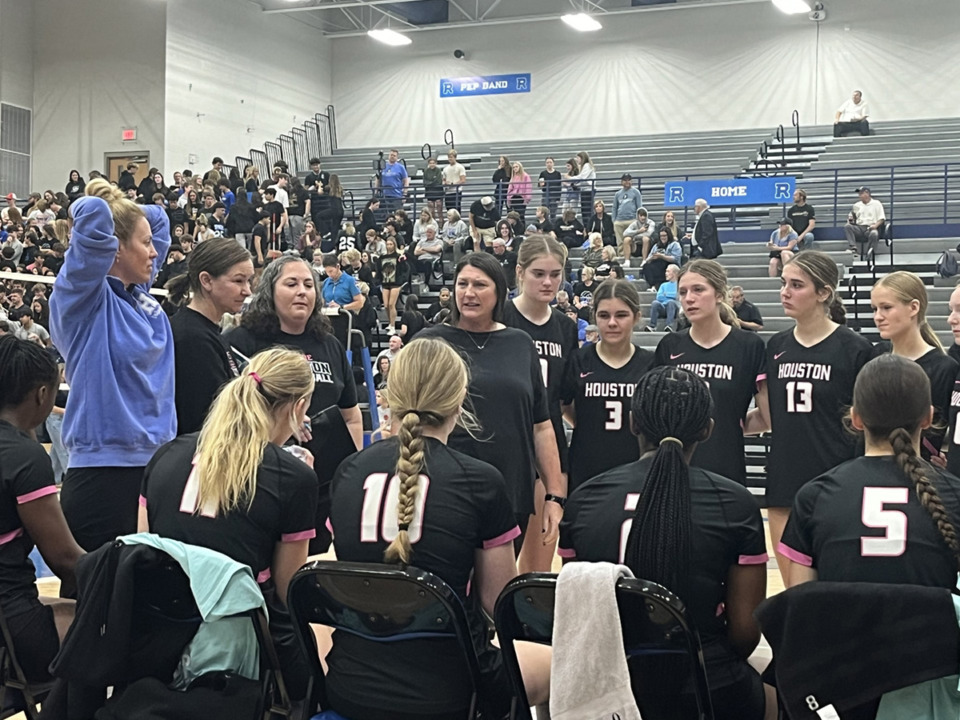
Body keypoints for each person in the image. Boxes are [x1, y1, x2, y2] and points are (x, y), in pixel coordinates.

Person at [328, 338, 551, 720]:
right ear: (460, 397)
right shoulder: (479, 481)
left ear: (388, 395)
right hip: (451, 691)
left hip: (350, 685)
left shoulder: (349, 471)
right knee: (561, 658)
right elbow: (499, 605)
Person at [559, 366, 768, 720]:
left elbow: (580, 612)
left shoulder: (584, 499)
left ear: (633, 424)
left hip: (606, 691)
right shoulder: (734, 502)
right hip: (706, 688)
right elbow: (745, 634)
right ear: (707, 429)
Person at [139, 347, 319, 701]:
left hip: (154, 639)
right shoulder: (293, 477)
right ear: (299, 408)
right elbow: (287, 593)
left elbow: (142, 553)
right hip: (244, 651)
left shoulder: (166, 455)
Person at [49, 178, 174, 553]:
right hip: (104, 474)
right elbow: (93, 220)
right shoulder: (84, 299)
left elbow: (159, 221)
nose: (155, 253)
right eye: (145, 243)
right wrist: (105, 201)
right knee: (98, 601)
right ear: (113, 249)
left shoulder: (141, 297)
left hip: (158, 469)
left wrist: (129, 211)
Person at [781, 354, 960, 593]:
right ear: (928, 418)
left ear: (855, 418)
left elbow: (801, 607)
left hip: (842, 631)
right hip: (929, 631)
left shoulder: (814, 497)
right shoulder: (954, 495)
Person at [745, 251, 873, 583]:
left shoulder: (856, 349)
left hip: (837, 482)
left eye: (797, 285)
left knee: (836, 589)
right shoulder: (775, 346)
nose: (785, 292)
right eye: (784, 283)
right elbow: (769, 416)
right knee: (795, 597)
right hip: (785, 481)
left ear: (824, 293)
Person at [420, 252, 565, 544]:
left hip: (511, 491)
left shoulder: (520, 343)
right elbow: (404, 417)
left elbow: (541, 425)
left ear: (499, 291)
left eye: (479, 285)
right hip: (442, 491)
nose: (469, 293)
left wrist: (554, 494)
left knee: (499, 588)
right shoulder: (429, 341)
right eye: (462, 284)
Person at [224, 256, 362, 551]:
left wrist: (350, 470)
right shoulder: (242, 342)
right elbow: (228, 415)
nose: (303, 291)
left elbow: (351, 416)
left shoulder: (329, 344)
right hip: (260, 482)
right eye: (292, 283)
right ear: (270, 291)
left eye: (309, 285)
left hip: (322, 485)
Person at [0, 336, 84, 683]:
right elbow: (65, 559)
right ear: (42, 394)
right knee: (100, 632)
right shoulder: (23, 458)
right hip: (9, 626)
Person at [503, 235, 580, 572]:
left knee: (538, 567)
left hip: (548, 446)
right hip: (503, 445)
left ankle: (528, 627)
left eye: (555, 274)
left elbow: (564, 398)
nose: (548, 282)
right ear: (520, 272)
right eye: (538, 273)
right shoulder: (501, 315)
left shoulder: (565, 326)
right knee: (496, 561)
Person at [656, 259, 767, 488]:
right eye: (683, 292)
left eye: (698, 290)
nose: (689, 298)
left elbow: (767, 418)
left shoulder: (749, 346)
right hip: (674, 470)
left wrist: (727, 426)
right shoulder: (670, 346)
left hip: (726, 469)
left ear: (719, 294)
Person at [564, 279, 655, 493]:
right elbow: (565, 406)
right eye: (604, 315)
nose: (612, 323)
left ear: (637, 317)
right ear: (595, 317)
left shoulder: (651, 363)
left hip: (636, 471)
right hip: (586, 470)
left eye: (621, 315)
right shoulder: (579, 359)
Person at [166, 238, 255, 435]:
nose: (247, 290)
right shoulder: (192, 339)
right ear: (206, 280)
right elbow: (210, 418)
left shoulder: (207, 331)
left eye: (248, 281)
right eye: (238, 280)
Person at [871, 271, 957, 465]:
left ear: (913, 307)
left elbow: (937, 433)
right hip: (870, 467)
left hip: (919, 473)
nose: (877, 317)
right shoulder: (875, 356)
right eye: (874, 308)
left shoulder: (944, 368)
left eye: (886, 308)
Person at [844, 186, 886, 258]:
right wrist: (850, 220)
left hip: (871, 227)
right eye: (859, 194)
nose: (859, 195)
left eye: (861, 193)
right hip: (859, 227)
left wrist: (875, 226)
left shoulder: (877, 203)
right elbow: (853, 218)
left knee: (874, 233)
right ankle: (853, 247)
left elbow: (882, 218)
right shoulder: (856, 205)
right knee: (847, 226)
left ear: (867, 194)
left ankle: (870, 253)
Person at [377, 237, 407, 333]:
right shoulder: (382, 257)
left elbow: (404, 268)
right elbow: (379, 269)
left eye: (391, 244)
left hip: (396, 282)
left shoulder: (398, 256)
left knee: (391, 304)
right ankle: (390, 323)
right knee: (385, 305)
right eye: (387, 244)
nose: (389, 246)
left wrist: (403, 261)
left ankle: (393, 326)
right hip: (385, 282)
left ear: (394, 245)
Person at [612, 174, 643, 252]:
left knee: (631, 239)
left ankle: (631, 253)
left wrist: (638, 220)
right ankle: (622, 254)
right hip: (619, 220)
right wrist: (614, 220)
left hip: (632, 219)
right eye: (625, 180)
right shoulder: (617, 194)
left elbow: (639, 207)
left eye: (629, 180)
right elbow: (614, 207)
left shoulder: (636, 192)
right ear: (621, 182)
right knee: (620, 241)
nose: (627, 182)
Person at [646, 264, 681, 332]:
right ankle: (652, 326)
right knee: (655, 303)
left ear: (674, 273)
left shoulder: (679, 284)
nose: (665, 274)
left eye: (668, 271)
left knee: (671, 303)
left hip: (674, 308)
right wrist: (671, 296)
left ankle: (669, 325)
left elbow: (677, 296)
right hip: (663, 307)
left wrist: (666, 295)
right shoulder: (663, 285)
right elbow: (659, 297)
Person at [573, 151, 597, 224]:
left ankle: (589, 226)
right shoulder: (584, 166)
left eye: (578, 158)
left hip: (588, 190)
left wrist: (571, 178)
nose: (577, 160)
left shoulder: (587, 165)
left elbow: (582, 177)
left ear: (582, 158)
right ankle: (587, 226)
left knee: (587, 210)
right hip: (585, 190)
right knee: (585, 210)